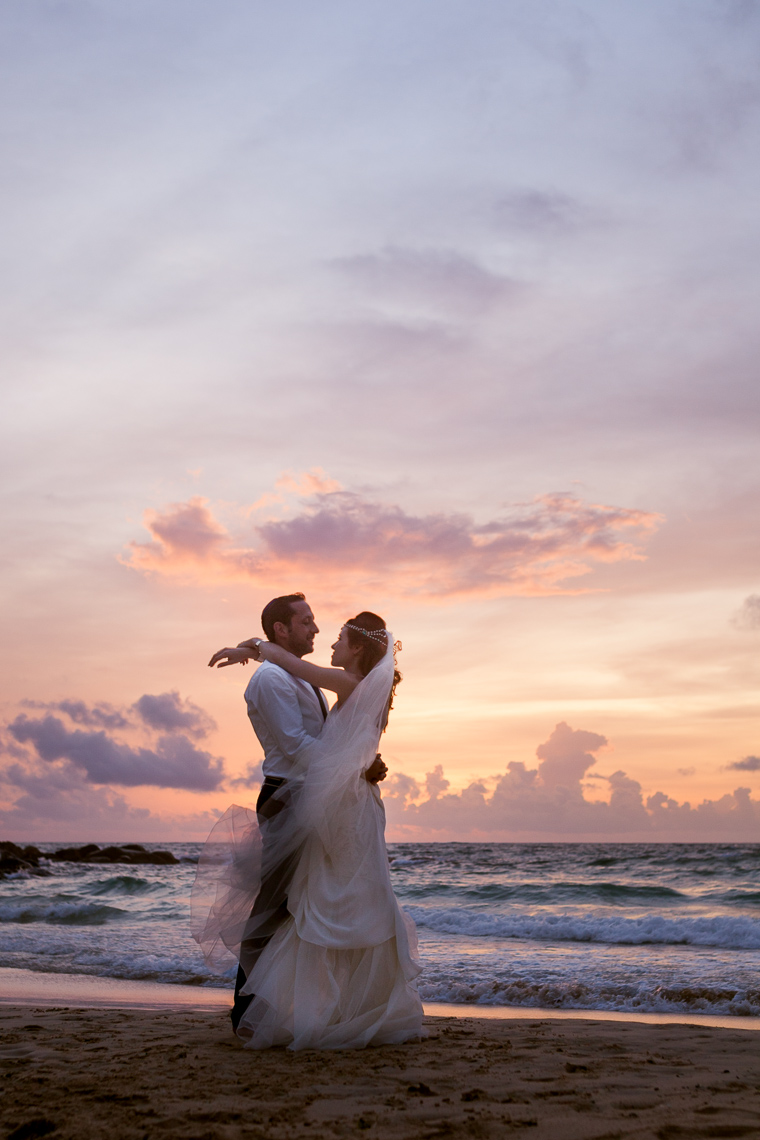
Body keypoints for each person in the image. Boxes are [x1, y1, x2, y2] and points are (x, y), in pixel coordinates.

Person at [192, 601, 423, 1051]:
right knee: (305, 903)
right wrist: (252, 649)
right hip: (305, 801)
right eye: (309, 622)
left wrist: (253, 646)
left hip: (335, 806)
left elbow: (320, 733)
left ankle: (332, 1009)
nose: (323, 633)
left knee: (324, 903)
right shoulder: (285, 679)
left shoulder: (336, 682)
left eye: (335, 634)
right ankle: (270, 1009)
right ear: (283, 628)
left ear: (356, 648)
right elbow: (304, 744)